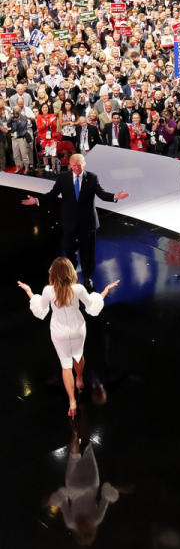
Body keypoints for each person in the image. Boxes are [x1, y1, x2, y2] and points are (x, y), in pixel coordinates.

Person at [16, 257, 120, 417]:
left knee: (66, 365)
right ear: (70, 272)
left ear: (53, 274)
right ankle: (79, 379)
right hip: (78, 329)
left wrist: (29, 291)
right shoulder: (78, 289)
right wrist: (105, 291)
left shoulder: (48, 291)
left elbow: (40, 308)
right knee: (79, 355)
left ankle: (72, 401)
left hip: (59, 332)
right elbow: (92, 305)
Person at [21, 154, 130, 290]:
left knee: (88, 252)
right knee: (69, 250)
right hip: (69, 221)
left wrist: (115, 196)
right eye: (74, 165)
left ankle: (87, 277)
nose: (77, 168)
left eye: (80, 164)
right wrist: (36, 200)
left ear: (84, 163)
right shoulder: (63, 178)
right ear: (70, 165)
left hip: (88, 222)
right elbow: (52, 194)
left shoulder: (92, 177)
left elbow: (101, 194)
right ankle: (71, 275)